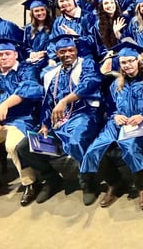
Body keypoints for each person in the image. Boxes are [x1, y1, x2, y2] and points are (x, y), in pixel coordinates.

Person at [16, 33, 103, 205]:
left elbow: (90, 83)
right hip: (59, 123)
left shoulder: (87, 64)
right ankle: (51, 180)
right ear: (57, 54)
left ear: (76, 50)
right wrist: (45, 125)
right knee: (26, 147)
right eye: (62, 51)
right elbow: (48, 103)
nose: (67, 54)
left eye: (70, 50)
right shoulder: (51, 74)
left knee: (76, 141)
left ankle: (88, 182)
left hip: (84, 115)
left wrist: (65, 101)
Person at [80, 40, 143, 210]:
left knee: (129, 148)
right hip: (117, 124)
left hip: (141, 124)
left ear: (138, 60)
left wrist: (142, 116)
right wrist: (115, 116)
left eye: (131, 61)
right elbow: (110, 107)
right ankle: (115, 184)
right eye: (123, 62)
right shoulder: (115, 84)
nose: (128, 65)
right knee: (94, 149)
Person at [0, 38, 42, 206]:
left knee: (13, 146)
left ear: (15, 54)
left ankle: (30, 183)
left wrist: (5, 105)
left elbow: (32, 88)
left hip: (22, 119)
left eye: (7, 54)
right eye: (0, 54)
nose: (4, 57)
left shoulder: (26, 70)